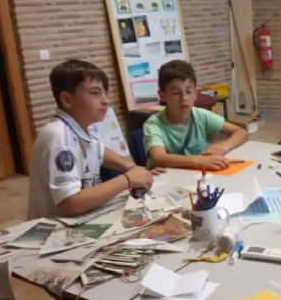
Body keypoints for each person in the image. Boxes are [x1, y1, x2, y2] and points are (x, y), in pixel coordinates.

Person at [28, 60, 156, 219]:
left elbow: (99, 151)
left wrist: (132, 168)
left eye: (105, 93)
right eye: (95, 93)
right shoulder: (59, 136)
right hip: (59, 226)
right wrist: (128, 179)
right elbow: (70, 203)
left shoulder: (82, 127)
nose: (106, 101)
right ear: (67, 100)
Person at [143, 60, 248, 170]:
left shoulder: (200, 115)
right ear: (162, 95)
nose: (184, 98)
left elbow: (241, 132)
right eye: (176, 93)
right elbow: (159, 157)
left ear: (195, 93)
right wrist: (199, 161)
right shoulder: (153, 124)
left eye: (188, 92)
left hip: (194, 175)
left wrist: (222, 147)